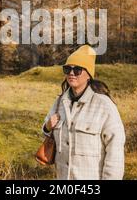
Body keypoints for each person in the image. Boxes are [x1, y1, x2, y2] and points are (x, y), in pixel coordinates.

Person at [42, 45, 126, 180]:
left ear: (88, 74)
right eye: (67, 69)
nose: (71, 73)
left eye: (77, 70)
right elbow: (46, 130)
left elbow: (115, 152)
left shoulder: (104, 106)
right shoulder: (59, 102)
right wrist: (47, 126)